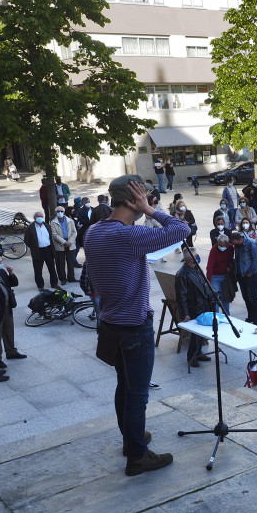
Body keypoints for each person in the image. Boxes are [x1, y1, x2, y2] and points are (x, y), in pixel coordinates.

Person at [85, 176, 189, 475]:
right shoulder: (128, 236)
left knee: (124, 387)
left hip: (110, 323)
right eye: (143, 196)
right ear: (134, 200)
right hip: (133, 325)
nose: (148, 201)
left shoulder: (94, 232)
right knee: (137, 395)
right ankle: (137, 457)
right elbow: (181, 229)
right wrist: (152, 211)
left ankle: (131, 439)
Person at [0, 253, 26, 364]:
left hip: (7, 307)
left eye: (1, 261)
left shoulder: (2, 271)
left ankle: (11, 352)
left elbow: (14, 283)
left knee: (8, 331)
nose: (1, 264)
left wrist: (11, 273)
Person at [175, 249, 213, 368]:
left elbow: (203, 284)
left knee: (201, 334)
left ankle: (199, 353)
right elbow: (181, 296)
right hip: (193, 307)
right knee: (195, 335)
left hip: (202, 305)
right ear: (191, 259)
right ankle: (192, 357)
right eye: (196, 256)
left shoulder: (196, 269)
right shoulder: (182, 274)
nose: (198, 258)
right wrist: (185, 314)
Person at [230, 230, 257, 325]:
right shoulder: (237, 246)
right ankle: (250, 316)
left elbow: (256, 259)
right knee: (246, 297)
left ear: (239, 239)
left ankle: (256, 319)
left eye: (234, 242)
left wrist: (251, 271)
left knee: (252, 297)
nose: (233, 244)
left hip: (250, 275)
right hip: (241, 275)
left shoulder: (250, 244)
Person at [23, 211, 59, 290]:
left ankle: (54, 283)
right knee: (38, 270)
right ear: (34, 218)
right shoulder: (30, 228)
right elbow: (27, 240)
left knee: (52, 268)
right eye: (38, 216)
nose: (40, 218)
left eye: (41, 216)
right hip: (38, 251)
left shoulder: (46, 225)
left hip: (48, 249)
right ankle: (40, 286)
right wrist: (34, 247)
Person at [205, 234, 234, 315]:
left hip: (225, 276)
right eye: (219, 245)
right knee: (215, 298)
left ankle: (227, 315)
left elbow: (232, 259)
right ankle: (216, 315)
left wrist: (229, 267)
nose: (221, 247)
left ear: (227, 244)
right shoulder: (214, 249)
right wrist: (209, 279)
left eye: (223, 245)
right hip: (215, 276)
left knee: (225, 297)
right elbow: (210, 265)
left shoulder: (231, 248)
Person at [49, 205, 77, 284]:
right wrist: (64, 242)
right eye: (58, 211)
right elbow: (54, 235)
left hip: (70, 244)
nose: (60, 213)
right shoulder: (53, 222)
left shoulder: (70, 221)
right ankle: (63, 279)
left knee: (70, 262)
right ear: (55, 212)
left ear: (64, 212)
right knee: (60, 263)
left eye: (61, 211)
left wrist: (70, 241)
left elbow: (74, 232)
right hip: (60, 244)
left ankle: (71, 277)